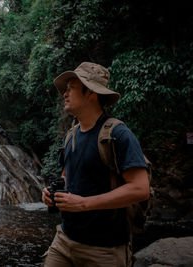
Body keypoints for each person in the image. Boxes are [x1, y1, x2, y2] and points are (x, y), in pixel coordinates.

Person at [41, 62, 150, 267]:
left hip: (104, 249)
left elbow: (140, 188)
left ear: (90, 92)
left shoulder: (118, 135)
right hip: (64, 240)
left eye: (71, 88)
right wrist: (51, 194)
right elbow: (67, 176)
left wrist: (83, 204)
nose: (65, 93)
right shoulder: (70, 136)